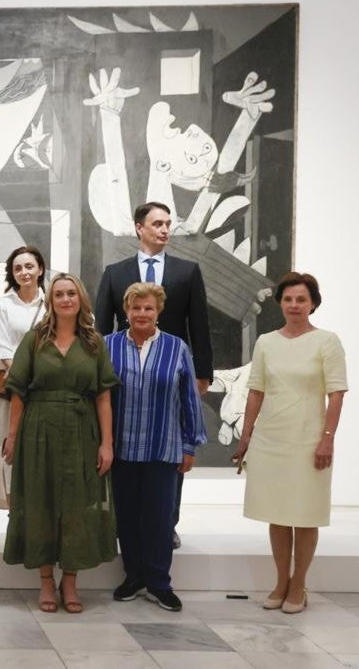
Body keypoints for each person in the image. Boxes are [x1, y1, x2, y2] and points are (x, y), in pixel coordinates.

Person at [95, 201, 212, 549]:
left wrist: (201, 373)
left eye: (168, 224)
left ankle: (167, 522)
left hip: (170, 375)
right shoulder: (115, 272)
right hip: (123, 376)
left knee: (171, 449)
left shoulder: (187, 271)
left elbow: (200, 326)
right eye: (157, 223)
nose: (164, 230)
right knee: (123, 448)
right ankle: (122, 521)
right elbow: (102, 327)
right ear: (139, 227)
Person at [2, 273, 119, 614]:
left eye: (71, 293)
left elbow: (103, 398)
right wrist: (12, 436)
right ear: (50, 302)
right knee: (39, 502)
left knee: (77, 504)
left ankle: (70, 580)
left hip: (82, 431)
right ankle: (45, 582)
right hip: (38, 429)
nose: (66, 299)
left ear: (81, 299)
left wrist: (107, 444)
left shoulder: (95, 342)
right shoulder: (35, 339)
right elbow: (18, 392)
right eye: (59, 294)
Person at [232, 273, 346, 614]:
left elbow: (336, 394)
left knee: (306, 513)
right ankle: (281, 580)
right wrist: (247, 435)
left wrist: (327, 438)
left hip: (310, 439)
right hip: (271, 438)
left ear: (313, 303)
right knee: (278, 514)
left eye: (301, 299)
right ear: (279, 303)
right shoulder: (266, 342)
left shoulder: (327, 341)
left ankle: (300, 584)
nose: (294, 305)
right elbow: (256, 391)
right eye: (288, 299)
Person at [104, 283, 207, 612]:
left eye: (148, 308)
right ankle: (133, 576)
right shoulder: (108, 346)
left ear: (158, 311)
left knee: (160, 518)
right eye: (136, 308)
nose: (141, 314)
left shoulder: (177, 348)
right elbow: (100, 397)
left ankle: (160, 583)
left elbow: (190, 398)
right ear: (126, 311)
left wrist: (190, 444)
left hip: (164, 447)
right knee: (128, 516)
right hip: (122, 449)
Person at [0, 246, 46, 510]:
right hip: (12, 387)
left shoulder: (51, 303)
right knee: (9, 445)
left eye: (29, 266)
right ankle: (14, 512)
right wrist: (23, 371)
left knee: (40, 449)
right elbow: (0, 345)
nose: (24, 272)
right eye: (18, 268)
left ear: (40, 269)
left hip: (45, 387)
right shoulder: (4, 304)